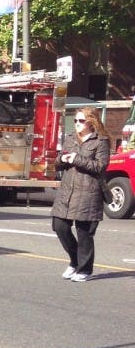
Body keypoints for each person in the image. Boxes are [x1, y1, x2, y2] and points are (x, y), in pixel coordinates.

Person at [52, 110, 110, 282]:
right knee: (59, 226)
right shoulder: (70, 138)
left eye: (81, 120)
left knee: (84, 232)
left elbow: (100, 166)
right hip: (67, 191)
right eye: (76, 120)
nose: (77, 123)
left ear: (91, 122)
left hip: (88, 193)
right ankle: (75, 260)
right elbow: (57, 163)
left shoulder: (101, 141)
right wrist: (62, 159)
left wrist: (76, 159)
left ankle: (85, 269)